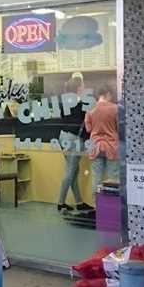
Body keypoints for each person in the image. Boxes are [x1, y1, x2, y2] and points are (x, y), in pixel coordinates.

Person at [57, 75, 92, 212]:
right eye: (83, 86)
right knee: (71, 170)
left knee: (74, 170)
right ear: (78, 88)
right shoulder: (81, 104)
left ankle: (79, 201)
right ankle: (60, 203)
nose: (84, 88)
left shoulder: (65, 102)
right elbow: (86, 123)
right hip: (73, 138)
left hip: (63, 136)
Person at [85, 86, 119, 197]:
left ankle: (97, 207)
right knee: (112, 178)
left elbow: (88, 129)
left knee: (96, 178)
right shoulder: (115, 108)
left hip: (95, 146)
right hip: (112, 146)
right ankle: (111, 207)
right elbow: (119, 127)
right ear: (108, 94)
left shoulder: (90, 109)